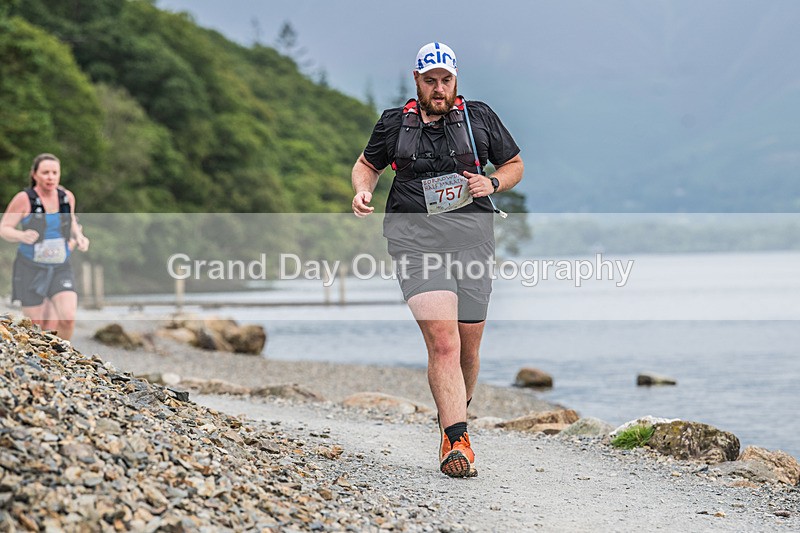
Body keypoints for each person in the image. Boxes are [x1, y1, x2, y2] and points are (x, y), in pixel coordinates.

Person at [351, 42, 524, 477]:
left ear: (455, 79)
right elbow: (366, 165)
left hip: (472, 241)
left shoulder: (479, 117)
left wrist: (494, 182)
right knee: (443, 342)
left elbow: (515, 163)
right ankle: (456, 440)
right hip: (413, 241)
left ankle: (455, 412)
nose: (439, 88)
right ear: (417, 81)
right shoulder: (394, 124)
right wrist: (362, 189)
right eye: (431, 81)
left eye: (446, 80)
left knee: (468, 345)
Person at [0, 153, 90, 340]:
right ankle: (40, 362)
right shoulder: (24, 199)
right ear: (35, 175)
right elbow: (4, 228)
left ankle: (64, 355)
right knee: (36, 325)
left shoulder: (66, 197)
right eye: (46, 172)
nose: (51, 177)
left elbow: (71, 222)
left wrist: (80, 236)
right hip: (30, 267)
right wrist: (21, 235)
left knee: (67, 318)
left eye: (55, 172)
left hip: (60, 266)